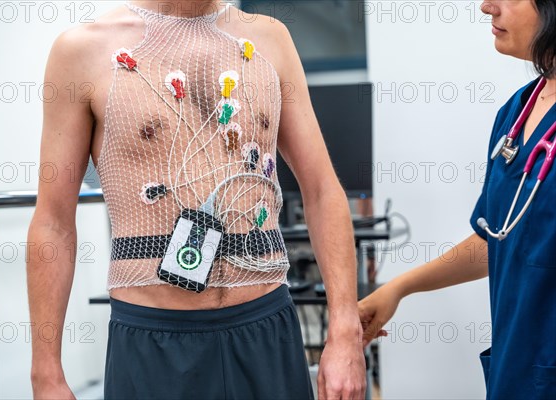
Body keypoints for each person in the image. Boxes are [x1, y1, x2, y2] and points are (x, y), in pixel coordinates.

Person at [26, 1, 367, 399]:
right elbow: (53, 221)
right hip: (156, 339)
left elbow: (323, 189)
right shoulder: (83, 51)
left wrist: (345, 329)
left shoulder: (269, 39)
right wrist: (45, 374)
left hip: (266, 327)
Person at [358, 0, 556, 398]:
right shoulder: (516, 113)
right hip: (519, 365)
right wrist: (398, 288)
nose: (487, 7)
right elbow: (495, 238)